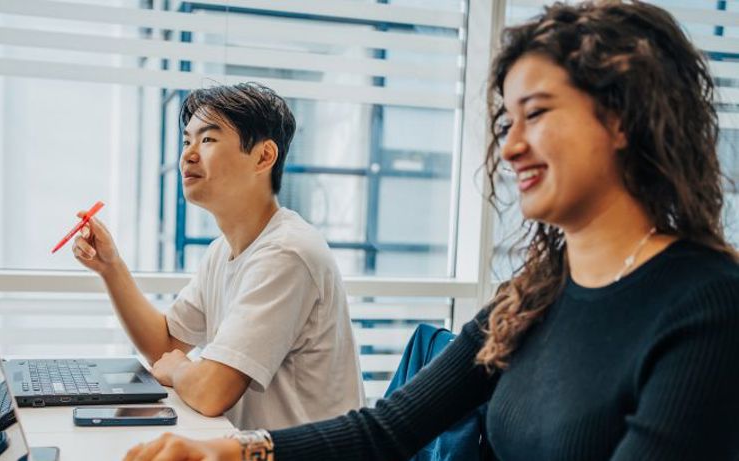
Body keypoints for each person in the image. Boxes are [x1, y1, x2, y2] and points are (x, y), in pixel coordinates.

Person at [121, 2, 739, 460]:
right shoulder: (535, 295)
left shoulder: (705, 302)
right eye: (506, 121)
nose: (513, 145)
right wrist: (226, 451)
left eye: (538, 113)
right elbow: (388, 429)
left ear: (625, 119)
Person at [72, 82, 364, 430]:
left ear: (263, 157)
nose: (188, 155)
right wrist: (111, 267)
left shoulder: (287, 253)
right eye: (186, 141)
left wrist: (181, 368)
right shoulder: (223, 250)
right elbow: (164, 343)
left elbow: (212, 392)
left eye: (207, 140)